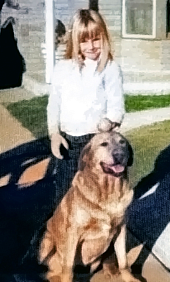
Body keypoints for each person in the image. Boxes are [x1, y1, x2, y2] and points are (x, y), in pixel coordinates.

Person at [47, 9, 125, 200]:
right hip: (68, 142)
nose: (91, 46)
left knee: (97, 194)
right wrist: (54, 134)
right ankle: (64, 229)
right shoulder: (63, 68)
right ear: (75, 41)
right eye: (84, 40)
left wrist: (108, 121)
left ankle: (99, 228)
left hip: (95, 143)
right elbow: (54, 103)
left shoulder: (110, 68)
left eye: (95, 39)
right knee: (65, 196)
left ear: (104, 38)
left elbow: (117, 106)